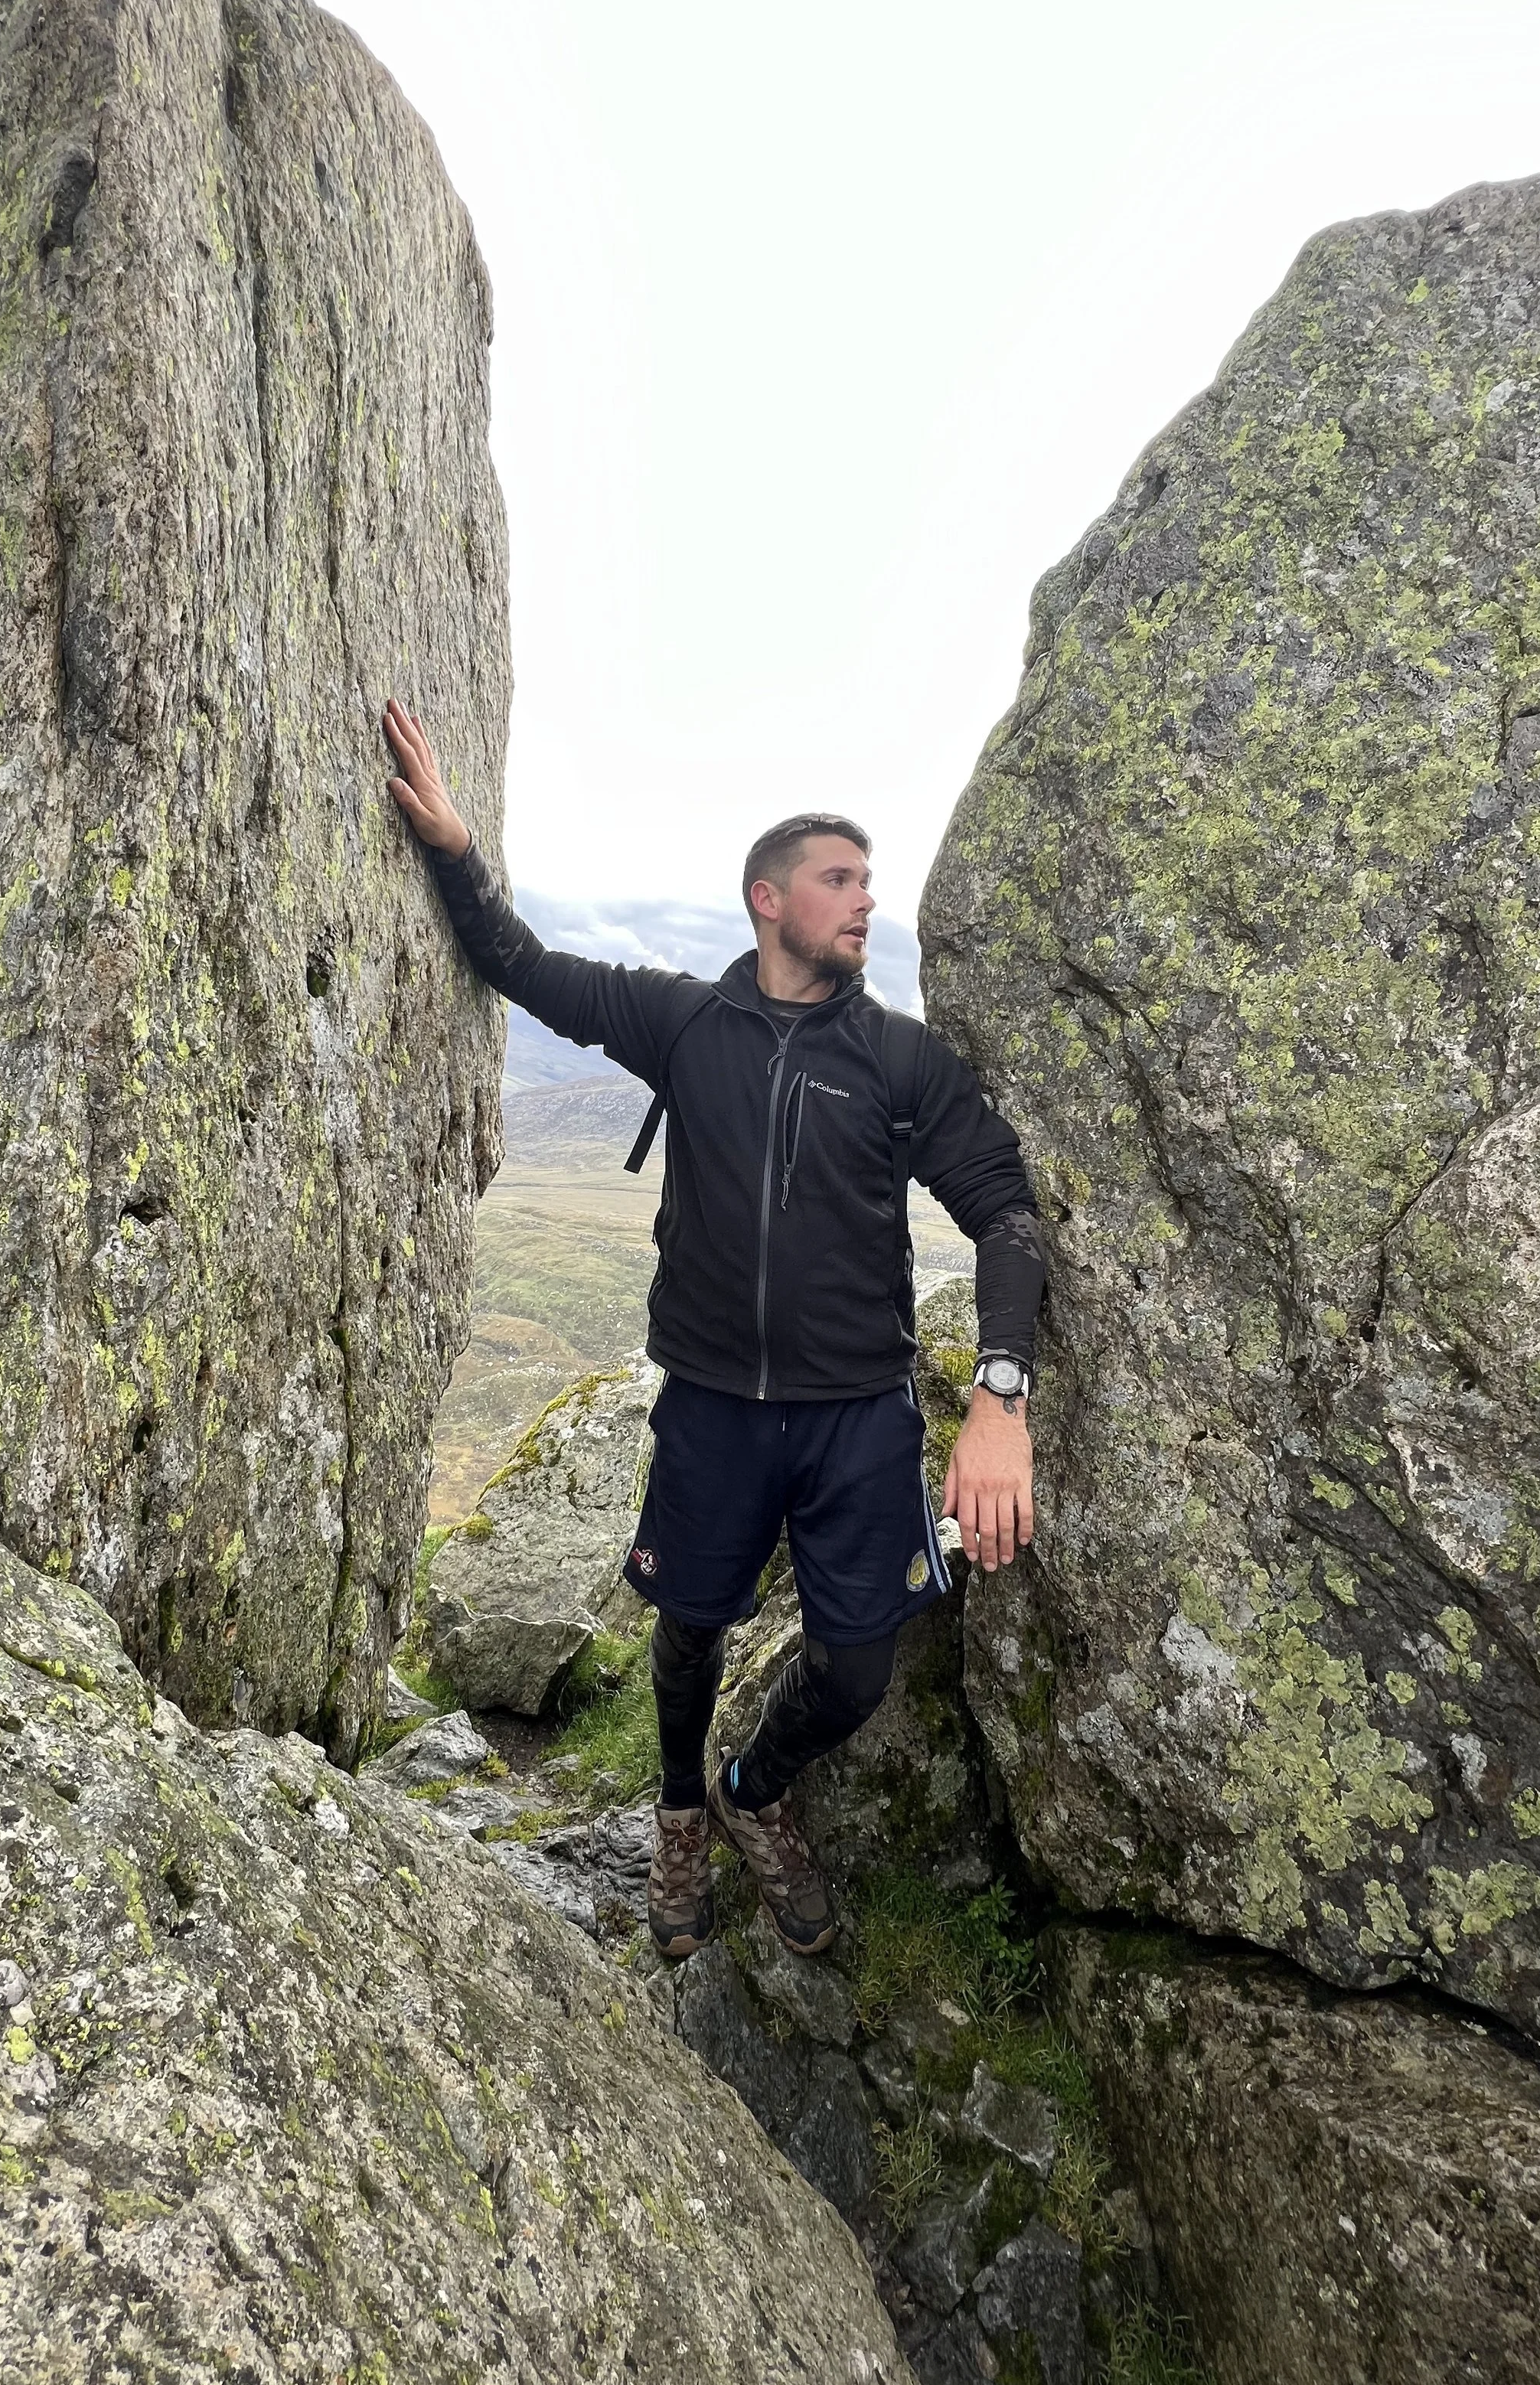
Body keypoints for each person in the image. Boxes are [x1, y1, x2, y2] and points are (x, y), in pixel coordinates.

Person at [383, 700, 1044, 1962]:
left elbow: (1006, 1215)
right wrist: (458, 852)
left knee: (857, 1668)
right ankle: (681, 1812)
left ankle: (754, 1792)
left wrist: (998, 1402)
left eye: (869, 881)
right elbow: (522, 967)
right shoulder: (684, 1022)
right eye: (838, 879)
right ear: (766, 899)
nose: (863, 901)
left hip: (858, 1418)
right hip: (711, 1413)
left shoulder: (902, 1060)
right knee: (689, 1631)